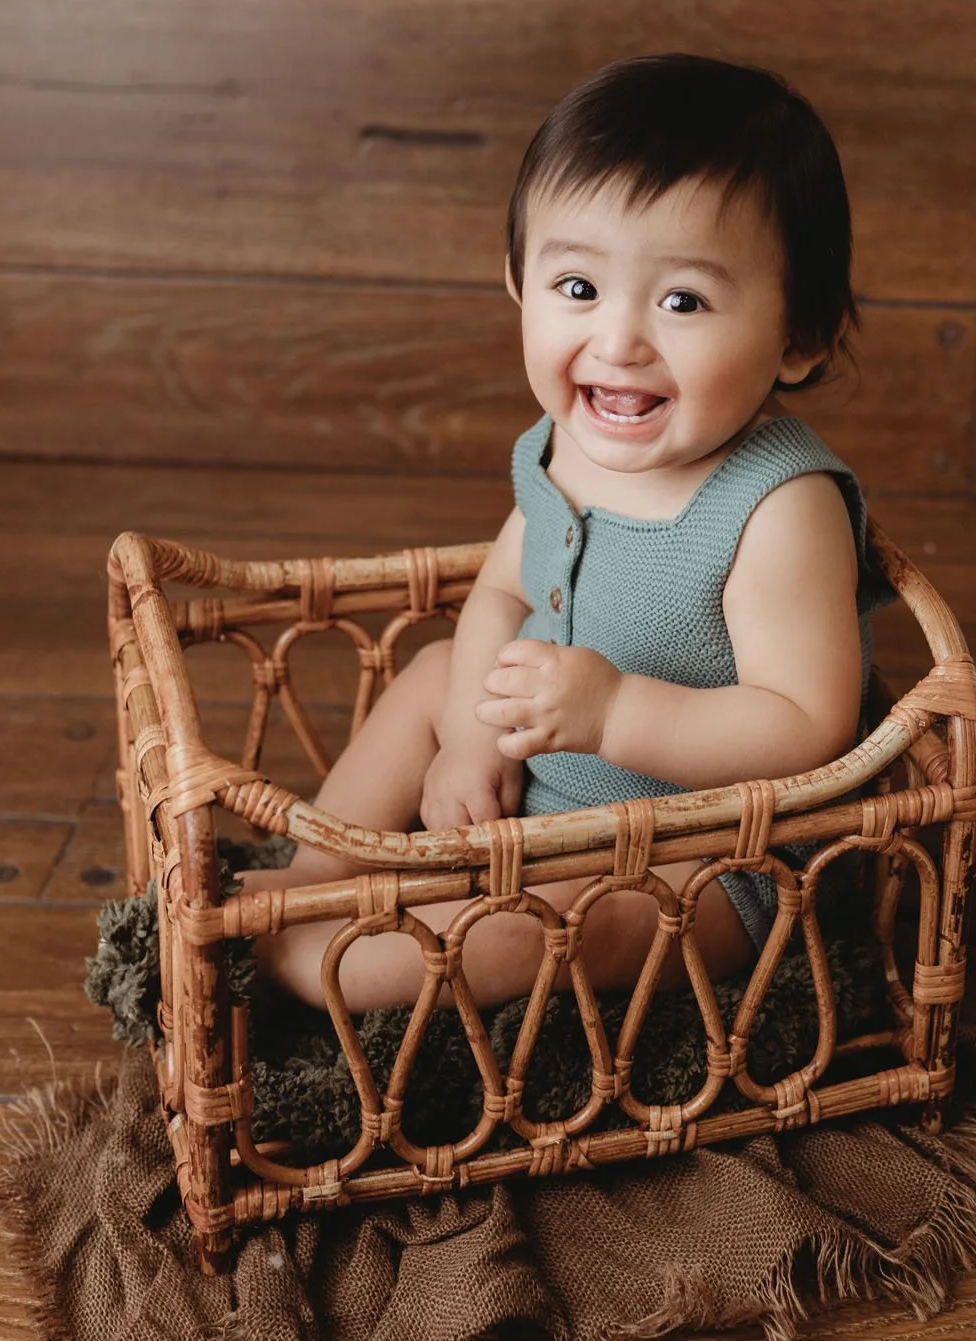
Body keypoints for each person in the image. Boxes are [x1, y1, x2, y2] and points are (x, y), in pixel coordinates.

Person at [247, 52, 895, 1013]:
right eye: (579, 288)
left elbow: (808, 727)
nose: (620, 340)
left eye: (683, 301)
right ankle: (316, 876)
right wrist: (472, 738)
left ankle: (329, 970)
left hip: (705, 858)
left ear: (796, 338)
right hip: (549, 784)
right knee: (431, 675)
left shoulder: (778, 505)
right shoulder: (564, 449)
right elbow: (506, 593)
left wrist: (617, 715)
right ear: (517, 280)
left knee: (552, 929)